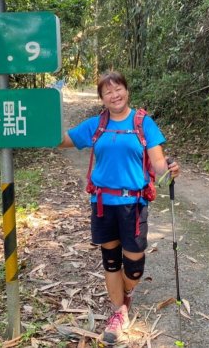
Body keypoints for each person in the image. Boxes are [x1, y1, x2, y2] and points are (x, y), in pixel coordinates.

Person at [59, 70, 180, 344]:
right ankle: (119, 312)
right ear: (101, 98)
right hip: (103, 203)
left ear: (126, 91)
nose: (114, 95)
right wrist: (43, 118)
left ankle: (126, 294)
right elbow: (62, 140)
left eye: (118, 89)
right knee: (111, 261)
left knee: (134, 267)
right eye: (108, 92)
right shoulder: (96, 125)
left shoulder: (143, 123)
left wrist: (169, 171)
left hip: (133, 205)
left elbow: (159, 165)